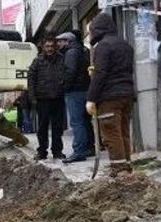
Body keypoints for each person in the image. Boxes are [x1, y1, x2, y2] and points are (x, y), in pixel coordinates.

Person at [87, 13, 136, 178]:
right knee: (123, 132)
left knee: (111, 133)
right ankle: (126, 166)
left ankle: (119, 170)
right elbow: (119, 69)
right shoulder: (125, 45)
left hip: (109, 97)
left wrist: (91, 98)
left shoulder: (103, 46)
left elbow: (101, 74)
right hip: (127, 95)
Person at [27, 35, 66, 161]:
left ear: (55, 47)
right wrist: (32, 97)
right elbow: (31, 80)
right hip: (42, 99)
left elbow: (66, 75)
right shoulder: (37, 61)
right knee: (42, 127)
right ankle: (42, 151)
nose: (49, 49)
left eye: (51, 46)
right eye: (47, 46)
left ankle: (57, 151)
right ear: (43, 47)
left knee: (57, 127)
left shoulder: (61, 59)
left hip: (58, 98)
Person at [57, 31, 94, 163]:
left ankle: (79, 152)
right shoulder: (83, 50)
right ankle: (89, 148)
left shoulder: (71, 53)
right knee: (85, 121)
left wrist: (64, 86)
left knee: (77, 122)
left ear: (68, 41)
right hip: (85, 89)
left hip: (75, 92)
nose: (58, 44)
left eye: (61, 41)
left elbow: (70, 72)